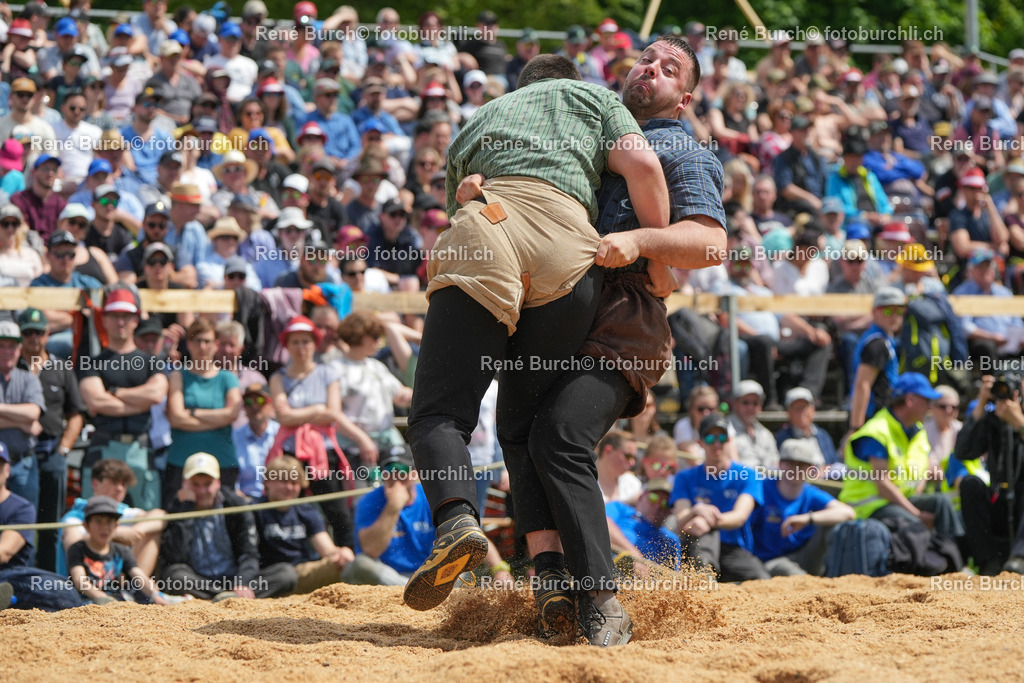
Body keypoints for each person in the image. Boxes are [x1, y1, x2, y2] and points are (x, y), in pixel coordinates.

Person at [402, 54, 670, 630]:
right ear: (568, 81)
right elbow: (644, 165)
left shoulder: (481, 117)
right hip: (569, 250)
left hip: (490, 229)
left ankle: (457, 522)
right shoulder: (596, 97)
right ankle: (554, 583)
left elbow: (461, 202)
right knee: (525, 427)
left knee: (439, 413)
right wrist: (656, 251)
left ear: (522, 89)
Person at [839, 373, 964, 540]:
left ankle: (956, 552)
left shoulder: (917, 430)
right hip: (870, 507)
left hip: (901, 500)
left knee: (941, 503)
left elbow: (924, 467)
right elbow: (883, 485)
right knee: (915, 525)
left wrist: (919, 492)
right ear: (910, 400)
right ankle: (940, 554)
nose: (929, 407)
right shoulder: (876, 432)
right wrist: (917, 513)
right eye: (926, 401)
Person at [78, 289, 168, 510]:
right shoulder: (92, 363)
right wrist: (140, 401)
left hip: (140, 448)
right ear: (104, 320)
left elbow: (156, 394)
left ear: (135, 320)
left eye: (126, 316)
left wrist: (116, 393)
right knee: (96, 515)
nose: (121, 322)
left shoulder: (151, 362)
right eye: (115, 316)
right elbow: (96, 402)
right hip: (104, 448)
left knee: (146, 517)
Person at [161, 452, 296, 600]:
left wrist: (242, 583)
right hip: (198, 580)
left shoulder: (235, 505)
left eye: (207, 484)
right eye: (195, 484)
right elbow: (175, 556)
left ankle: (223, 597)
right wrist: (186, 508)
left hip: (235, 579)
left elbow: (249, 553)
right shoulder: (177, 507)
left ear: (218, 483)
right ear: (184, 484)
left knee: (286, 574)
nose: (202, 491)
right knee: (175, 576)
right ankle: (225, 597)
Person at [16, 308, 86, 573]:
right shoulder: (10, 367)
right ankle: (18, 578)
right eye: (28, 333)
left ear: (48, 334)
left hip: (52, 452)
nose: (34, 338)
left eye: (39, 332)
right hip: (18, 456)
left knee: (51, 524)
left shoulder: (61, 368)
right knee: (20, 524)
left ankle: (47, 580)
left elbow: (76, 414)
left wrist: (64, 449)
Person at [671, 413, 770, 581]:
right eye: (710, 438)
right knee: (704, 533)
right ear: (700, 442)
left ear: (729, 440)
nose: (717, 443)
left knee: (761, 579)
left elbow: (740, 517)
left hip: (732, 549)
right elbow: (681, 520)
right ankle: (704, 581)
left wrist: (708, 518)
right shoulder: (685, 477)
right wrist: (697, 510)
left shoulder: (748, 475)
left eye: (722, 437)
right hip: (696, 544)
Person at [164, 319, 242, 506]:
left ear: (216, 344)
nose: (202, 346)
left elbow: (232, 414)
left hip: (222, 461)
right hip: (181, 461)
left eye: (207, 341)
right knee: (181, 515)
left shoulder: (228, 378)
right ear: (188, 344)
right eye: (197, 341)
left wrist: (192, 413)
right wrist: (218, 418)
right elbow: (175, 418)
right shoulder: (177, 376)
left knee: (224, 516)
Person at [954, 373, 1024, 575]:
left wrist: (1019, 423)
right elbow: (963, 451)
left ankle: (1020, 558)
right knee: (970, 484)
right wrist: (981, 404)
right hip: (1000, 501)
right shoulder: (993, 420)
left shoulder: (1017, 419)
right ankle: (988, 562)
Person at [752, 440, 855, 577]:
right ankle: (814, 583)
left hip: (804, 556)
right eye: (791, 464)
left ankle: (837, 574)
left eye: (801, 465)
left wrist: (807, 518)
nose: (796, 470)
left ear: (811, 470)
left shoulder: (810, 493)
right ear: (780, 464)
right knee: (788, 570)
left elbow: (848, 512)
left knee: (835, 525)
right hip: (769, 561)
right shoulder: (762, 488)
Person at [253, 456, 354, 594]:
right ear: (268, 482)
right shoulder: (254, 510)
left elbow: (327, 550)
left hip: (301, 572)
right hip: (271, 576)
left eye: (294, 482)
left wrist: (342, 553)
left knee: (345, 562)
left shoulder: (305, 510)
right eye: (283, 481)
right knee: (286, 575)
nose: (289, 487)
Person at [58, 458, 166, 578]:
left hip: (121, 581)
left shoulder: (123, 511)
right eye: (114, 482)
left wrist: (136, 531)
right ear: (95, 484)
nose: (120, 488)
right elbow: (75, 548)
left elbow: (160, 515)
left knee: (151, 530)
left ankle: (137, 587)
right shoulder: (74, 517)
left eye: (124, 484)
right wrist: (113, 534)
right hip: (83, 582)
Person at [67, 496, 178, 605]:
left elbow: (139, 576)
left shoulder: (120, 550)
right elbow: (80, 580)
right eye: (98, 521)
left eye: (109, 521)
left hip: (118, 602)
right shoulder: (77, 549)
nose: (104, 527)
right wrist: (104, 599)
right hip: (87, 603)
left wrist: (156, 596)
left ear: (116, 525)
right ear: (86, 525)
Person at [0, 320, 45, 511]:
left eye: (11, 346)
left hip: (23, 463)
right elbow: (27, 417)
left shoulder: (28, 379)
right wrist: (20, 423)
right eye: (1, 346)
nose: (6, 351)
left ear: (19, 350)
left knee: (24, 520)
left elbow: (33, 412)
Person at [849, 287, 906, 432]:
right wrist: (856, 427)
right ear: (874, 312)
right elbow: (862, 385)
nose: (894, 316)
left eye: (899, 311)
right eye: (887, 311)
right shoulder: (877, 344)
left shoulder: (885, 339)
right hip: (871, 418)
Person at [605, 478, 681, 569]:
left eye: (665, 503)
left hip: (647, 575)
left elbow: (673, 574)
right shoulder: (619, 508)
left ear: (670, 511)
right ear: (641, 497)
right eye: (654, 498)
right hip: (610, 561)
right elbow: (602, 524)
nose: (658, 506)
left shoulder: (671, 539)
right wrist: (634, 555)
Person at [233, 383, 279, 500]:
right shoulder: (234, 437)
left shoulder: (281, 434)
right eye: (248, 402)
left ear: (272, 404)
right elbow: (232, 482)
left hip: (278, 500)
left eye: (260, 400)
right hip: (246, 501)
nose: (254, 406)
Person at [728, 380, 780, 470]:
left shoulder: (765, 434)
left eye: (755, 403)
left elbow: (775, 464)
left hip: (766, 477)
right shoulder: (724, 429)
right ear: (735, 404)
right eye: (745, 402)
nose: (750, 407)